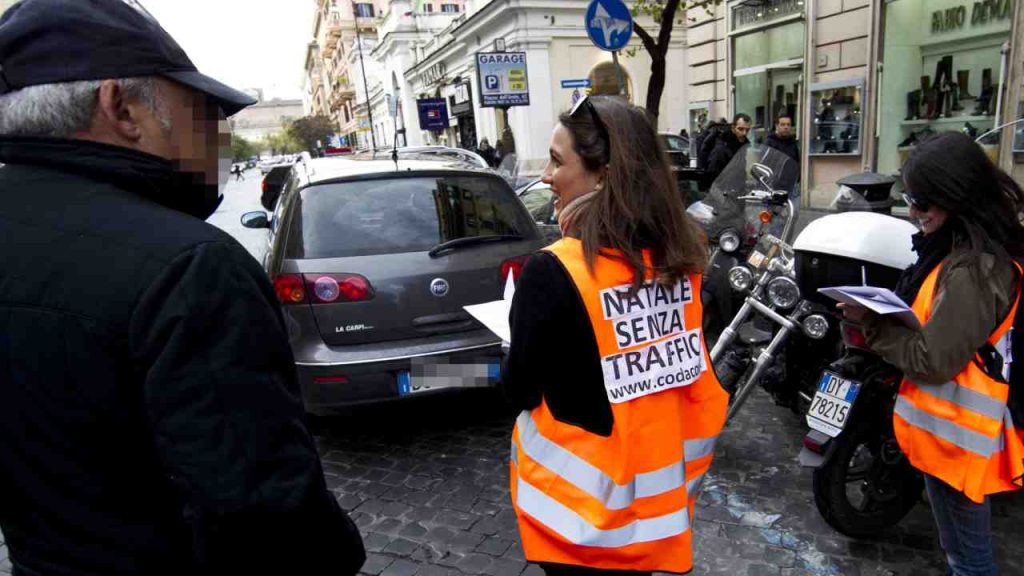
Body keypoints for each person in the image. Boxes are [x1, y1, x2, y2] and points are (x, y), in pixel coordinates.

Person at [0, 1, 366, 575]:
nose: (218, 135)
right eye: (203, 112)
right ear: (120, 107)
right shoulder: (188, 264)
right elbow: (269, 518)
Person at [501, 95, 728, 575]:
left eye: (557, 161)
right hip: (654, 519)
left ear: (603, 174)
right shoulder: (682, 262)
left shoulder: (554, 271)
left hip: (579, 523)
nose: (544, 175)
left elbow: (519, 389)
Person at [841, 132, 1024, 576]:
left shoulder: (976, 269)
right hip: (949, 434)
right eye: (910, 198)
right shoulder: (961, 249)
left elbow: (933, 360)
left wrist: (871, 324)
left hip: (957, 439)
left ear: (955, 198)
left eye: (923, 202)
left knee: (968, 559)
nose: (913, 211)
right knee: (962, 549)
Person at [705, 113, 751, 185]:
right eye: (740, 129)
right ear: (733, 128)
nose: (744, 133)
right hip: (723, 192)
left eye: (747, 130)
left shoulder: (742, 147)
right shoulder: (722, 148)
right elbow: (713, 175)